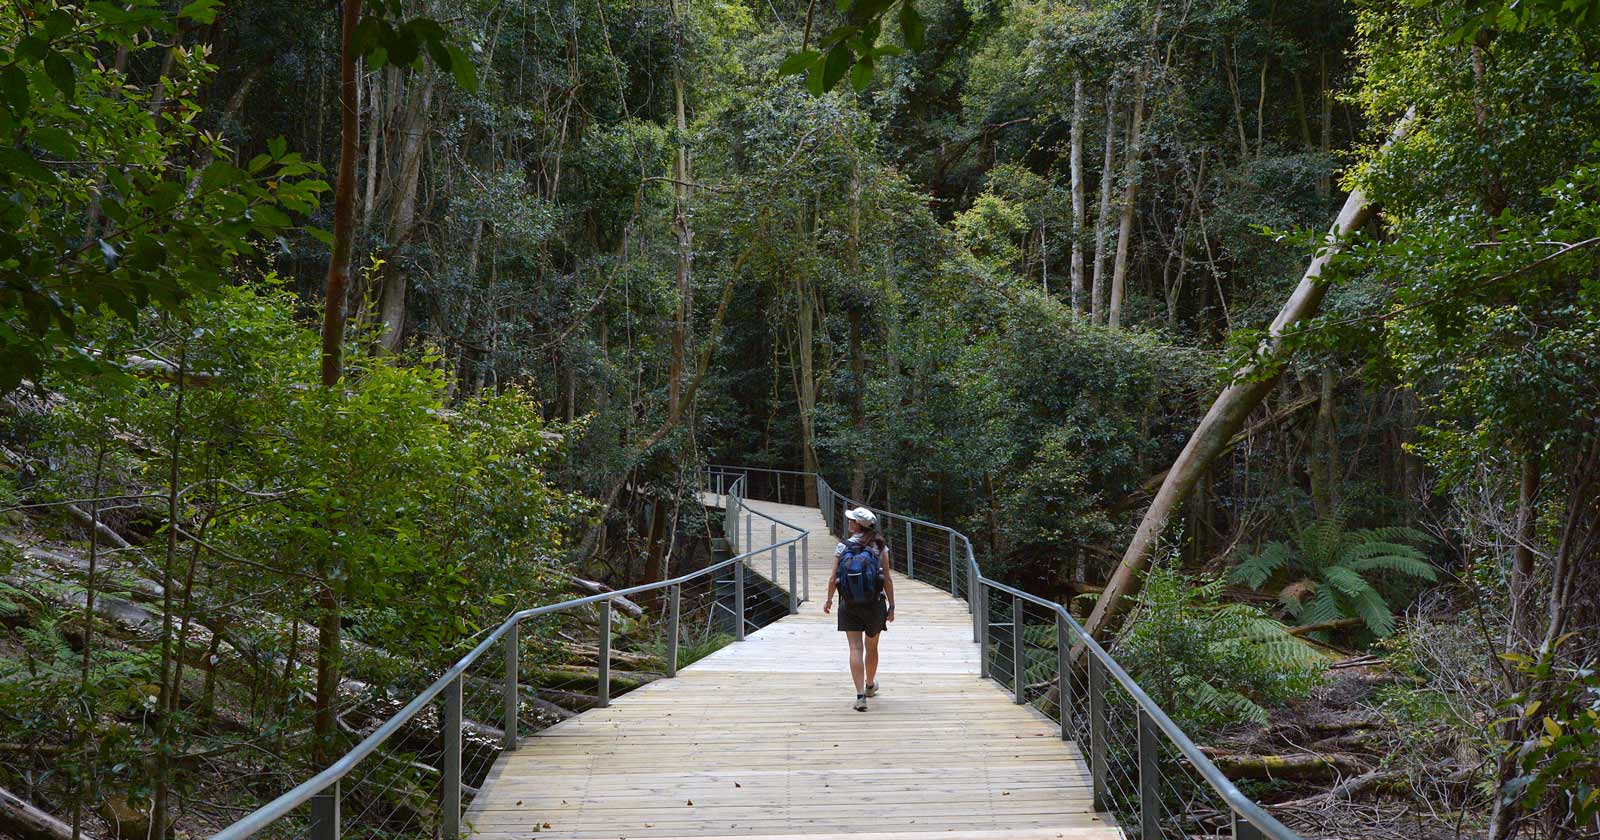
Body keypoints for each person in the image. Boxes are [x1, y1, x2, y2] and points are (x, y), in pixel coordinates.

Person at [824, 506, 895, 711]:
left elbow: (833, 578)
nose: (849, 522)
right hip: (874, 604)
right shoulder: (879, 546)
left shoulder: (842, 547)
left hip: (849, 603)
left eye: (851, 520)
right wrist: (892, 606)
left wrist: (829, 600)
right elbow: (887, 579)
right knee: (871, 647)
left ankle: (860, 696)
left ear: (857, 525)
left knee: (855, 648)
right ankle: (870, 685)